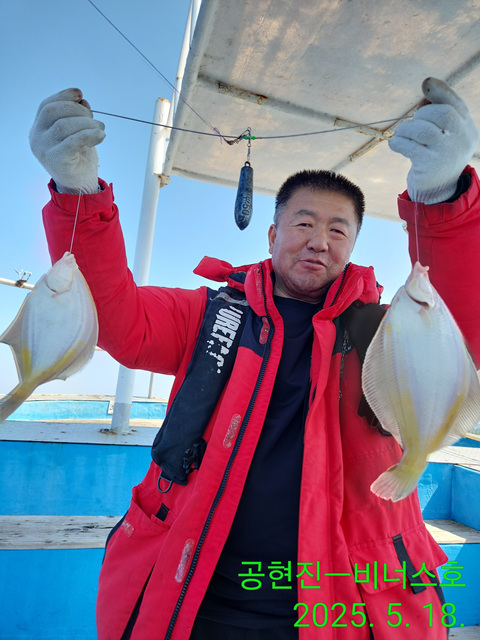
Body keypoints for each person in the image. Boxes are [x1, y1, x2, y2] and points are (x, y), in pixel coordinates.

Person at [29, 78, 480, 640]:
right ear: (271, 235)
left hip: (346, 604)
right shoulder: (206, 316)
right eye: (303, 223)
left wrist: (442, 200)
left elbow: (461, 334)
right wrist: (78, 191)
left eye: (338, 230)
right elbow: (115, 319)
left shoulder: (389, 331)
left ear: (353, 247)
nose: (319, 240)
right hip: (198, 597)